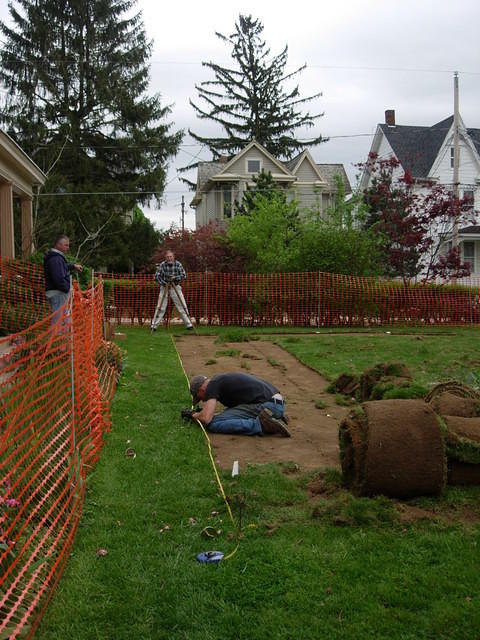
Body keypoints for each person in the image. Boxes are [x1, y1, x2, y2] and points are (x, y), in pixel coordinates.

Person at [187, 372, 290, 437]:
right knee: (224, 414)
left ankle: (262, 425)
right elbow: (234, 411)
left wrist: (193, 415)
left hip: (268, 405)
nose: (202, 400)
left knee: (213, 424)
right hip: (276, 404)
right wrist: (202, 413)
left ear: (201, 389)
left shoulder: (212, 386)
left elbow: (206, 418)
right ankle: (272, 417)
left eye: (199, 397)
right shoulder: (219, 381)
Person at [151, 250, 193, 331]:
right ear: (165, 258)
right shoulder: (162, 265)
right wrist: (164, 284)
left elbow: (184, 275)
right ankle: (154, 326)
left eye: (171, 256)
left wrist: (175, 278)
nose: (169, 258)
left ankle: (189, 324)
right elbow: (156, 277)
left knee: (182, 305)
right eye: (168, 257)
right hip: (165, 287)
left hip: (175, 286)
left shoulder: (178, 264)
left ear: (173, 257)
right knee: (161, 307)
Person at [43, 235, 82, 321]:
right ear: (58, 245)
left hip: (58, 292)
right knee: (59, 321)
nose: (68, 247)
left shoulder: (56, 257)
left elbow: (61, 267)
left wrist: (73, 266)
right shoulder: (56, 259)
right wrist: (66, 288)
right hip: (58, 293)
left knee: (64, 320)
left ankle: (61, 334)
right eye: (66, 245)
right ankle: (58, 335)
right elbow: (58, 278)